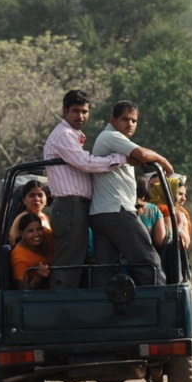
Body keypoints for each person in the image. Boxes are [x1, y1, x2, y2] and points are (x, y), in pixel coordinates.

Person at [41, 89, 129, 289]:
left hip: (77, 206)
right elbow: (86, 163)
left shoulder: (72, 135)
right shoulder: (63, 135)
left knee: (78, 259)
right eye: (75, 111)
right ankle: (61, 310)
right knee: (68, 262)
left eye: (84, 111)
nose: (80, 116)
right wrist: (121, 158)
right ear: (65, 111)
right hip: (69, 205)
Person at [90, 100, 174, 287]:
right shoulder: (110, 136)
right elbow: (143, 155)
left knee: (105, 268)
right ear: (113, 120)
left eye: (134, 121)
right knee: (148, 261)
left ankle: (101, 313)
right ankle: (161, 306)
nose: (130, 124)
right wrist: (163, 160)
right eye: (125, 119)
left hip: (101, 213)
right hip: (117, 211)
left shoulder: (116, 141)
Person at [9, 213, 53, 289]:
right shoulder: (19, 257)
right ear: (22, 234)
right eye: (30, 231)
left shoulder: (47, 235)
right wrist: (38, 277)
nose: (36, 234)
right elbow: (23, 291)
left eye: (39, 229)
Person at [6, 179, 51, 245]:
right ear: (24, 200)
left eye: (40, 195)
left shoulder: (45, 217)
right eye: (32, 195)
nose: (36, 199)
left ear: (46, 199)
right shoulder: (23, 218)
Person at [135, 176, 171, 250]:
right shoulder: (153, 210)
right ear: (148, 191)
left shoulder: (119, 207)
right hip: (146, 256)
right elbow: (159, 241)